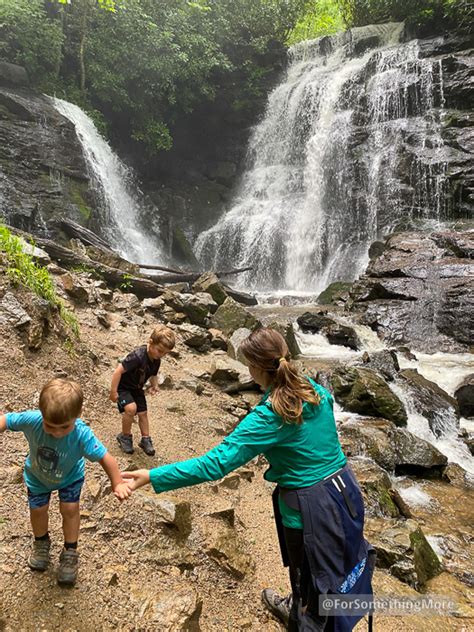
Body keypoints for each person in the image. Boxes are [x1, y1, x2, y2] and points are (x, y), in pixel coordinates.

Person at [121, 328, 374, 631]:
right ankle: (301, 604)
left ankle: (305, 616)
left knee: (312, 584)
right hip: (345, 490)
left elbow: (214, 464)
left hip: (310, 512)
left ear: (255, 368)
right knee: (341, 567)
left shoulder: (268, 417)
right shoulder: (314, 389)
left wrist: (152, 475)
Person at [0, 378, 131, 586]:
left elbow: (106, 457)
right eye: (50, 426)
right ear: (41, 414)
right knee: (38, 510)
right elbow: (7, 419)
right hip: (37, 477)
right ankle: (41, 542)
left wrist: (117, 482)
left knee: (70, 509)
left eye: (64, 427)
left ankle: (70, 551)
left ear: (77, 417)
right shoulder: (32, 420)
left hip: (70, 478)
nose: (57, 432)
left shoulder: (81, 434)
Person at [110, 324, 175, 456]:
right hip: (123, 388)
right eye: (160, 350)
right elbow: (118, 371)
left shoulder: (156, 359)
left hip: (137, 388)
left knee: (143, 413)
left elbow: (153, 375)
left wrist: (155, 385)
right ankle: (125, 436)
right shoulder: (137, 356)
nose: (161, 355)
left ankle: (145, 439)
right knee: (131, 409)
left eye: (165, 353)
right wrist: (113, 391)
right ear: (150, 342)